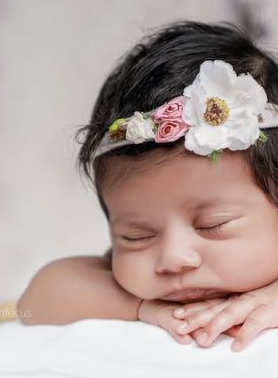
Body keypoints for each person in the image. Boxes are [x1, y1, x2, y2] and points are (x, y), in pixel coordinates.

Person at [17, 21, 278, 352]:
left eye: (213, 225)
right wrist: (140, 308)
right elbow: (36, 300)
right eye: (136, 237)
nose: (174, 258)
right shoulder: (138, 296)